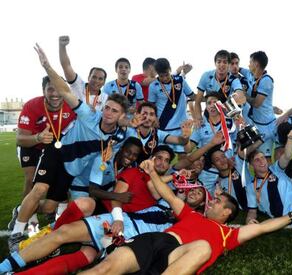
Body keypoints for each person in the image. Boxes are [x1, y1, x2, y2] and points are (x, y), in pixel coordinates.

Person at [76, 157, 292, 275]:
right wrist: (151, 173)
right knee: (102, 270)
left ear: (227, 212)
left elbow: (262, 228)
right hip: (155, 242)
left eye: (216, 201)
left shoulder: (228, 233)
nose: (211, 202)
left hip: (177, 258)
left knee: (204, 247)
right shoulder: (192, 214)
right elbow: (169, 196)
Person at [8, 44, 135, 253]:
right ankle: (16, 235)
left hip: (72, 172)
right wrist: (47, 66)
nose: (108, 113)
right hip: (56, 154)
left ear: (122, 116)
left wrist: (135, 123)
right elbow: (66, 90)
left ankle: (21, 210)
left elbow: (140, 129)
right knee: (39, 188)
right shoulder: (88, 115)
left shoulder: (120, 135)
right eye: (108, 108)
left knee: (49, 207)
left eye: (115, 111)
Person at [0, 147, 207, 275]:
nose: (161, 163)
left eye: (165, 161)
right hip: (114, 219)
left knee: (87, 257)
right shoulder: (135, 173)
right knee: (67, 228)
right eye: (157, 158)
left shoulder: (166, 189)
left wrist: (184, 177)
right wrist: (117, 214)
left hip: (128, 234)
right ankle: (14, 260)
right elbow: (152, 189)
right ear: (150, 159)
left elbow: (172, 190)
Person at [9, 76, 77, 232]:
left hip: (53, 145)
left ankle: (42, 210)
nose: (55, 93)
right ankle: (27, 216)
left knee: (58, 177)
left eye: (58, 88)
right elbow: (20, 139)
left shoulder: (71, 105)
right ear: (43, 91)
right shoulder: (32, 105)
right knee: (31, 178)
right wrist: (37, 137)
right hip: (32, 144)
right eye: (50, 89)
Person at [148, 58, 194, 157]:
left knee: (183, 157)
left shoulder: (180, 80)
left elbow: (193, 96)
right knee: (160, 157)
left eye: (167, 75)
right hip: (163, 127)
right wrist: (154, 118)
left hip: (181, 127)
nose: (165, 78)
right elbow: (150, 106)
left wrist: (209, 97)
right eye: (161, 76)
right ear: (157, 73)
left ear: (170, 69)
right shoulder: (153, 86)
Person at [193, 50, 243, 126]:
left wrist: (234, 100)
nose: (221, 65)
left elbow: (240, 95)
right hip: (209, 117)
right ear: (215, 63)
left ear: (229, 65)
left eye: (225, 62)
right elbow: (197, 101)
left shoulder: (234, 79)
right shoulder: (206, 76)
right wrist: (198, 118)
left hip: (226, 118)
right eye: (219, 62)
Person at [242, 51, 276, 160]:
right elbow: (238, 69)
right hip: (256, 123)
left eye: (250, 62)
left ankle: (273, 177)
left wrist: (244, 95)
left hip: (266, 125)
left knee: (265, 159)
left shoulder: (266, 80)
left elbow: (257, 104)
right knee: (252, 157)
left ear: (256, 64)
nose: (248, 65)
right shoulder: (251, 75)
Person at [59, 35, 108, 111]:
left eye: (100, 79)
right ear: (89, 77)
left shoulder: (105, 98)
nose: (96, 81)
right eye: (94, 77)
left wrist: (96, 114)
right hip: (71, 121)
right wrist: (62, 47)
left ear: (104, 82)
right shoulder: (78, 84)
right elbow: (66, 66)